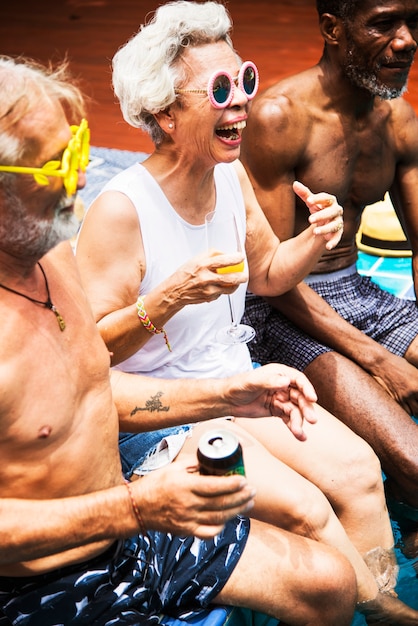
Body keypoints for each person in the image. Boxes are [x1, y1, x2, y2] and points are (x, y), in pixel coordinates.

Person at [75, 2, 418, 621]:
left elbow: (267, 273)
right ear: (164, 113)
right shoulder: (122, 211)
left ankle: (382, 596)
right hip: (162, 416)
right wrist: (165, 301)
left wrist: (314, 239)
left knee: (361, 472)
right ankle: (380, 610)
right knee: (309, 507)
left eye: (246, 81)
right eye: (221, 89)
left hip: (238, 381)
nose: (242, 104)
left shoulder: (227, 177)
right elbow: (88, 355)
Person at [0, 54, 363, 626]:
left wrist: (233, 396)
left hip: (132, 530)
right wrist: (133, 505)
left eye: (78, 149)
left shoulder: (47, 257)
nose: (79, 179)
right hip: (42, 584)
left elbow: (94, 394)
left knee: (330, 584)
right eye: (57, 166)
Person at [240, 0, 418, 523]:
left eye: (414, 24)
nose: (407, 41)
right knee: (411, 460)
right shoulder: (280, 118)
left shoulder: (399, 119)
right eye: (385, 24)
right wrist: (380, 360)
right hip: (280, 307)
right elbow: (270, 277)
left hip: (359, 291)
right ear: (332, 29)